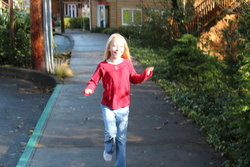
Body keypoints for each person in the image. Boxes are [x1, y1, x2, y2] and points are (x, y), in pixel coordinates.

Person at [83, 33, 154, 167]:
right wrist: (89, 88)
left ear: (124, 49)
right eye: (114, 45)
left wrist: (145, 75)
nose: (117, 49)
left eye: (121, 46)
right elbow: (94, 80)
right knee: (110, 132)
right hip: (108, 106)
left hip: (123, 107)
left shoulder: (126, 63)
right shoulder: (103, 66)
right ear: (109, 48)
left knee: (121, 139)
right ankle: (108, 149)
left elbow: (134, 78)